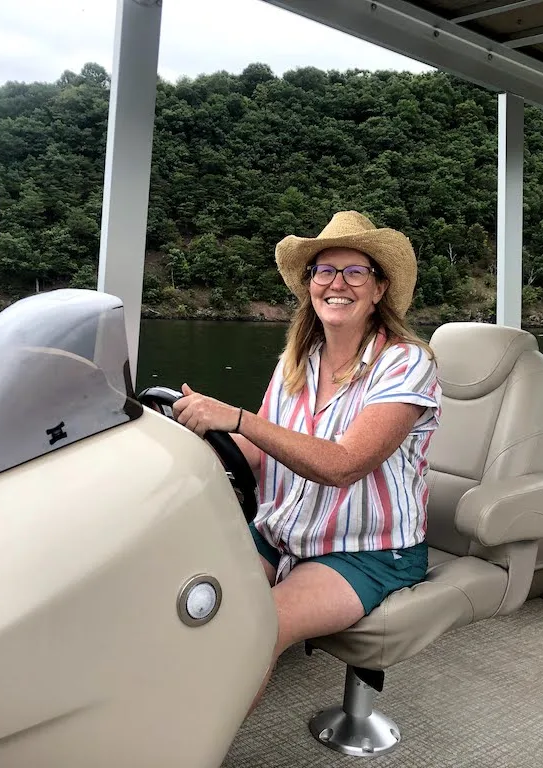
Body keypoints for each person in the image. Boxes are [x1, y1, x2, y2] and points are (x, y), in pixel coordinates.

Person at [172, 210, 440, 714]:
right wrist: (191, 438)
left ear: (379, 289)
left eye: (355, 271)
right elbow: (254, 454)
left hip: (368, 551)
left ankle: (192, 747)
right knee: (194, 602)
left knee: (258, 625)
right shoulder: (298, 360)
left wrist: (236, 417)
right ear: (310, 284)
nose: (337, 283)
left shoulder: (406, 362)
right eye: (324, 271)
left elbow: (344, 464)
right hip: (281, 533)